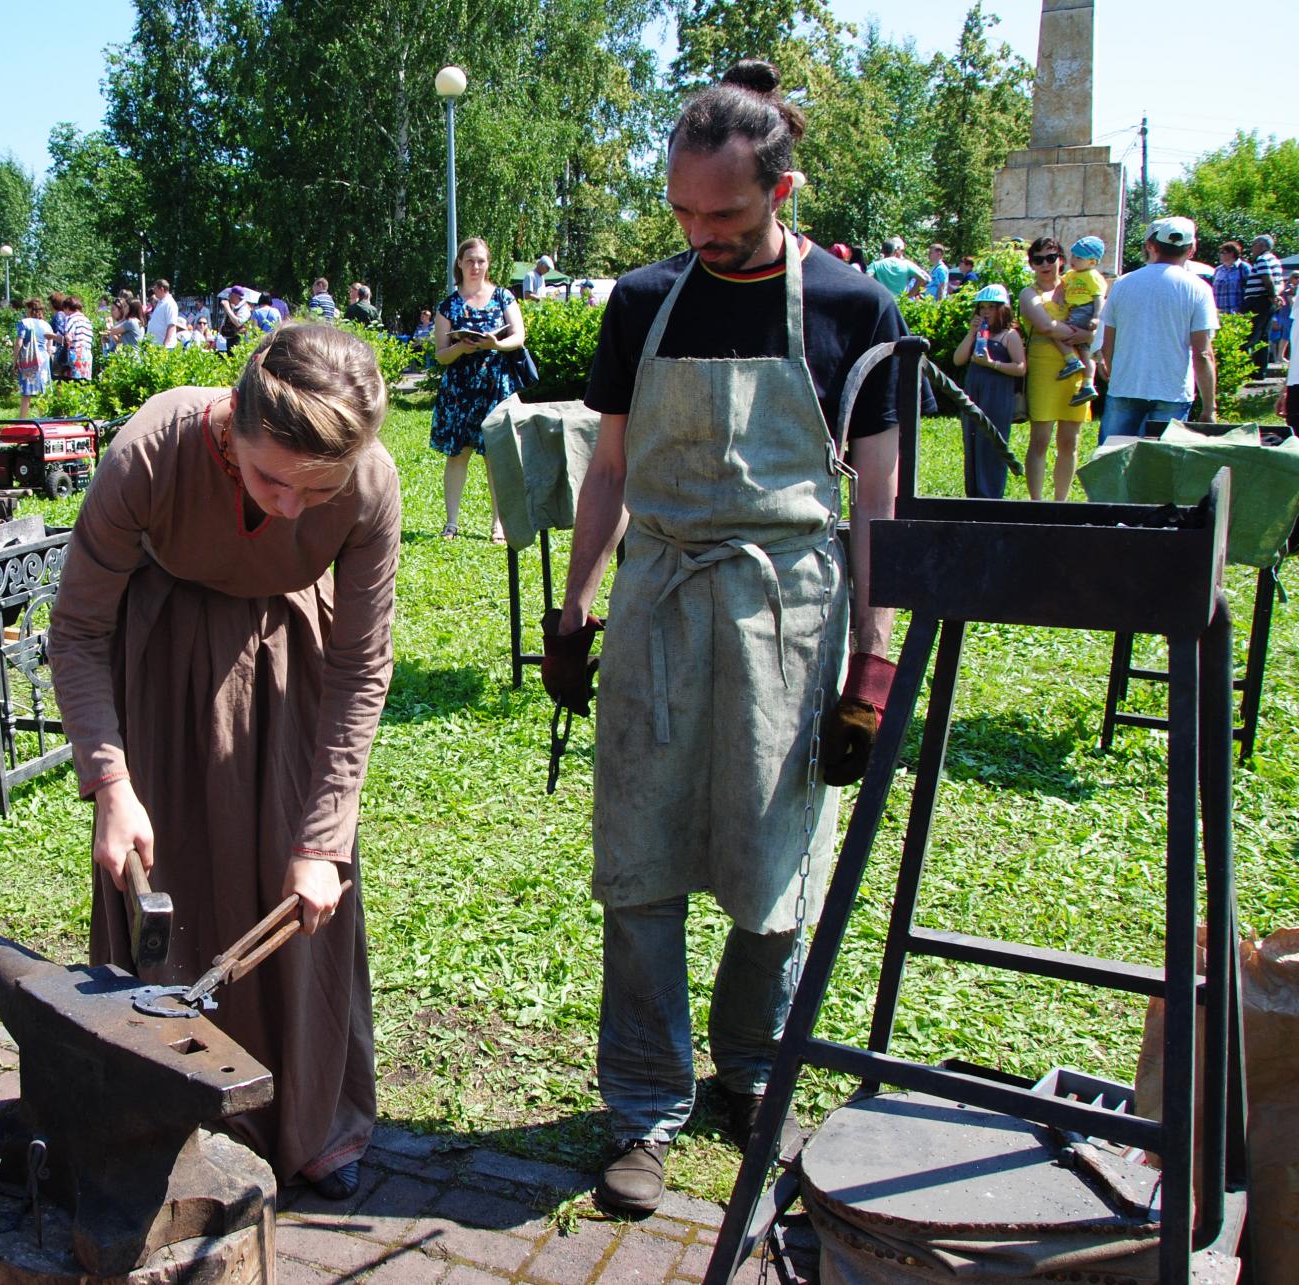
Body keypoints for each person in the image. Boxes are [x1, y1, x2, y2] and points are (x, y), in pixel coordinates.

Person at [542, 59, 903, 1216]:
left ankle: (751, 1071)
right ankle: (645, 1104)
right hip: (656, 605)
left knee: (774, 858)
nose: (701, 234)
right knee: (640, 864)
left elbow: (880, 500)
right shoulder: (644, 300)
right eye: (683, 212)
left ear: (782, 189)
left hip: (790, 611)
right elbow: (609, 468)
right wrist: (574, 601)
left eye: (728, 214)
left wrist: (874, 659)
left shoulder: (854, 309)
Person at [48, 323, 400, 1203]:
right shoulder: (153, 449)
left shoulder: (369, 484)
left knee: (299, 896)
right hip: (163, 667)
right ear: (229, 426)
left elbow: (363, 664)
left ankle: (312, 1125)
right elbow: (79, 628)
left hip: (294, 673)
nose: (290, 508)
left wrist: (324, 838)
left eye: (314, 490)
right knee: (166, 889)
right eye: (273, 478)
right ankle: (167, 1124)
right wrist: (111, 783)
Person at [432, 236, 526, 542]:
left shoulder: (503, 297)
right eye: (469, 260)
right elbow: (441, 354)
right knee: (457, 455)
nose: (475, 266)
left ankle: (498, 524)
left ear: (488, 264)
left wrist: (496, 344)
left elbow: (519, 337)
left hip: (495, 385)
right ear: (459, 263)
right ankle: (451, 523)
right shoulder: (447, 305)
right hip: (459, 389)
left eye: (481, 261)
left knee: (495, 457)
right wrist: (462, 347)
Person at [1098, 215, 1218, 441]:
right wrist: (1209, 407)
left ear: (1152, 246)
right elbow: (1202, 353)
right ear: (1191, 249)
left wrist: (1119, 377)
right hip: (1171, 391)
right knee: (1160, 467)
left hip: (1125, 387)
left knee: (1112, 461)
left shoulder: (1123, 283)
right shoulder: (1198, 289)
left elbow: (1108, 343)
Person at [1015, 236, 1094, 499]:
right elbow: (1045, 326)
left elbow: (1099, 321)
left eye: (1051, 257)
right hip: (1043, 368)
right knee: (1040, 439)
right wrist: (1079, 334)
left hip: (1077, 369)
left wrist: (1088, 336)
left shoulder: (1077, 285)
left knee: (1070, 441)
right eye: (1038, 260)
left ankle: (1061, 502)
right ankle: (1036, 503)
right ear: (1032, 264)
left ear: (1061, 259)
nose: (1045, 264)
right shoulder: (1028, 294)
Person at [950, 284, 1026, 500]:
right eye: (982, 308)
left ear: (1003, 310)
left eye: (991, 307)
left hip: (997, 395)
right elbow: (958, 359)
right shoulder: (978, 334)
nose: (985, 312)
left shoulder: (1009, 336)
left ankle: (991, 495)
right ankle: (972, 493)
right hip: (974, 393)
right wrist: (971, 333)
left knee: (991, 442)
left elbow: (1021, 368)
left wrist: (992, 364)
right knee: (972, 440)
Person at [1047, 235, 1107, 407]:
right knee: (1085, 350)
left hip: (1085, 310)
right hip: (1075, 310)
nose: (1074, 260)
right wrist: (1058, 299)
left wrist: (1096, 316)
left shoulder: (1092, 276)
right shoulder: (1071, 274)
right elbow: (1061, 287)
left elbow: (1098, 298)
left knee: (1056, 331)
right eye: (1073, 256)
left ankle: (1071, 360)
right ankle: (1087, 384)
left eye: (1079, 258)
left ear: (1092, 262)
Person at [1243, 234, 1285, 374]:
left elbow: (1267, 279)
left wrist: (1273, 295)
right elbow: (1280, 282)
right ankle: (1260, 371)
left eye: (1254, 245)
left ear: (1262, 246)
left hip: (1258, 300)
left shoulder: (1262, 259)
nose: (1252, 248)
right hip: (1267, 301)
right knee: (1263, 335)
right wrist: (1277, 295)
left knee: (1250, 334)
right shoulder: (1276, 261)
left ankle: (1245, 367)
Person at [13, 298, 53, 418]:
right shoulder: (47, 325)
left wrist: (15, 360)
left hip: (29, 359)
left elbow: (19, 343)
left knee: (26, 392)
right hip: (43, 359)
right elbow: (49, 347)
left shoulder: (24, 322)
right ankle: (44, 419)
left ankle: (22, 420)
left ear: (30, 309)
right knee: (43, 391)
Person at [60, 296, 95, 381]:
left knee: (68, 386)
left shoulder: (71, 318)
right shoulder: (87, 321)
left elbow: (68, 337)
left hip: (75, 356)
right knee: (82, 385)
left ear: (67, 308)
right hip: (87, 357)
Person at [1211, 242, 1247, 315]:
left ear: (1232, 253)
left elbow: (1249, 290)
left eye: (1223, 252)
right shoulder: (1218, 270)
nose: (1220, 255)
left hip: (1237, 313)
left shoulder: (1243, 268)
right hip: (1219, 314)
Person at [147, 279, 181, 348]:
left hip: (166, 347)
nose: (154, 291)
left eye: (155, 289)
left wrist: (165, 344)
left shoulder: (170, 303)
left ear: (162, 289)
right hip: (157, 345)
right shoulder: (161, 302)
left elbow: (172, 325)